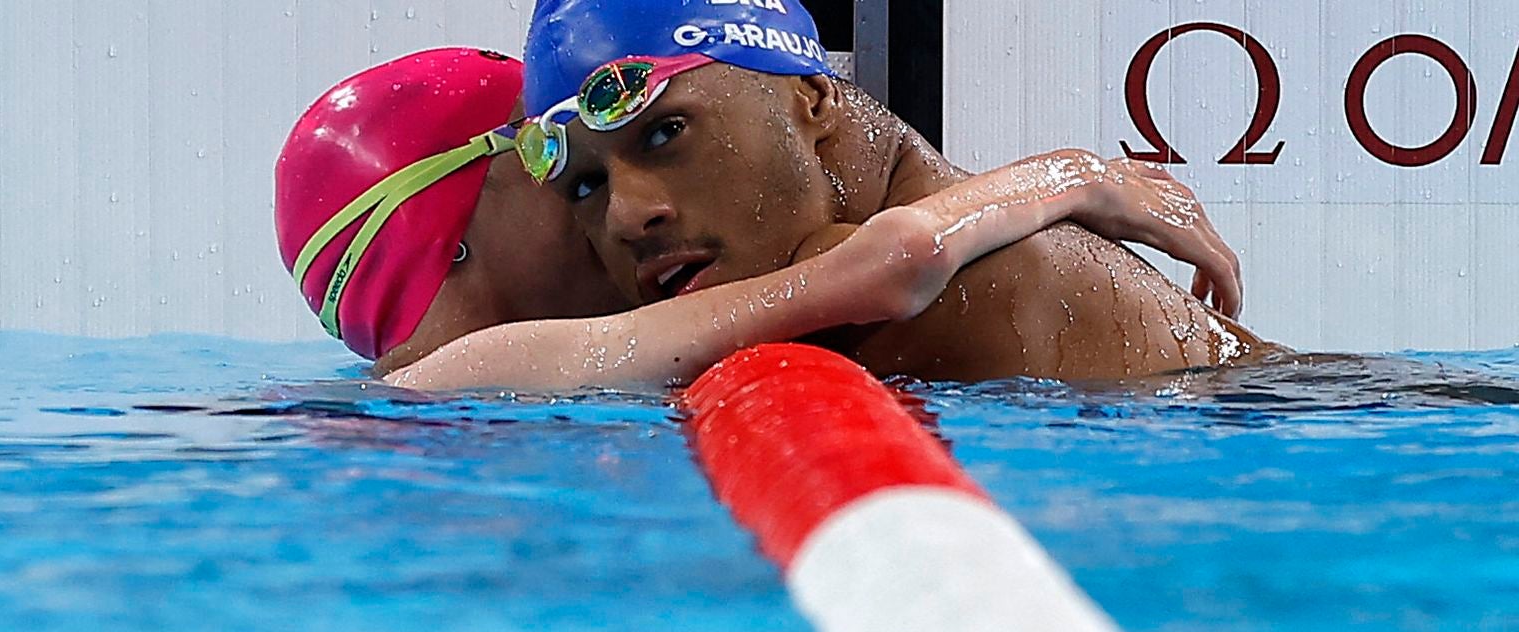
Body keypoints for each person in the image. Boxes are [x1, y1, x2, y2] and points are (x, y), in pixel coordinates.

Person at [275, 47, 1246, 391]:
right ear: (457, 239)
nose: (622, 210)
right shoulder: (478, 377)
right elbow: (884, 263)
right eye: (563, 167)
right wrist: (1075, 177)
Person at [520, 0, 1281, 383]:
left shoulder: (935, 284)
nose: (626, 216)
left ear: (813, 99)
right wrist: (1074, 175)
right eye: (585, 184)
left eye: (664, 134)